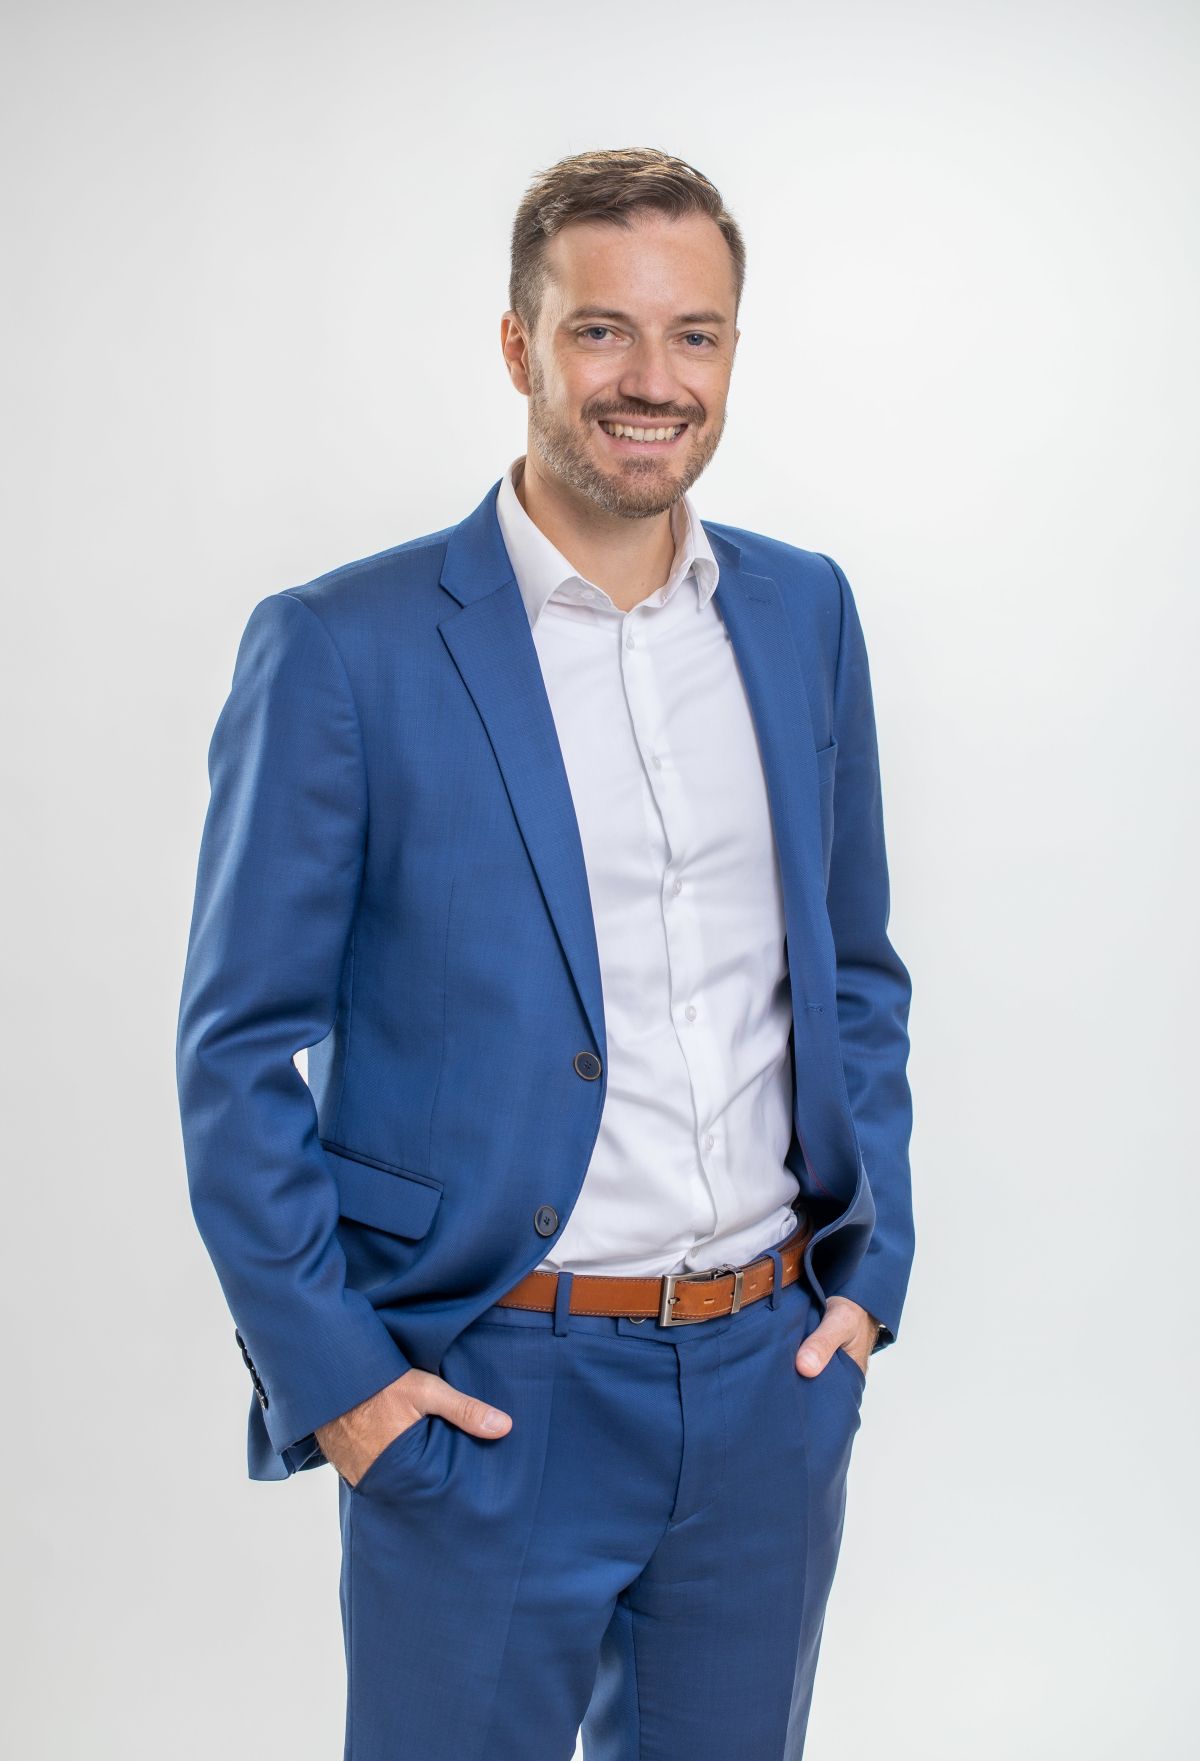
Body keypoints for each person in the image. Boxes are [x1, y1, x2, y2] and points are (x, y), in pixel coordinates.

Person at [176, 144, 915, 1761]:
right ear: (519, 345)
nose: (653, 379)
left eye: (694, 334)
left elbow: (854, 972)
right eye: (602, 331)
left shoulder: (802, 615)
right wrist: (344, 1385)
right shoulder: (344, 648)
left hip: (767, 1381)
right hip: (489, 1390)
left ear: (733, 350)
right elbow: (234, 1054)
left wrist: (868, 1287)